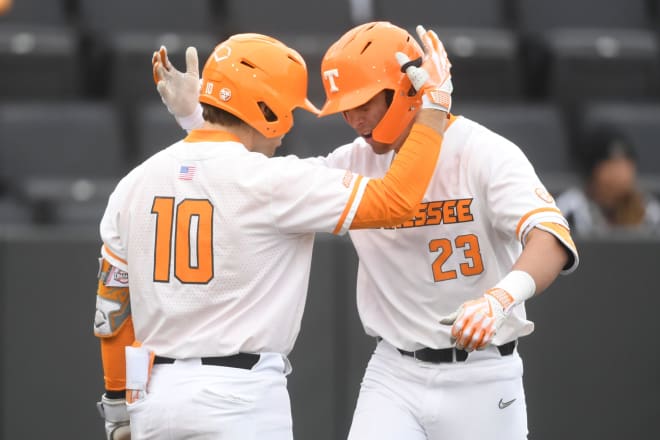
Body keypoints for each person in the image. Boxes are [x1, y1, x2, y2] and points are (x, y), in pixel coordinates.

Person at [153, 21, 579, 440]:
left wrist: (502, 297)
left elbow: (551, 237)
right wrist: (200, 121)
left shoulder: (484, 151)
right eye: (345, 109)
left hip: (484, 373)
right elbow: (255, 182)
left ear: (408, 87)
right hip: (394, 372)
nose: (354, 119)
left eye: (364, 103)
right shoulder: (354, 160)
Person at [94, 30, 453, 440]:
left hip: (154, 400)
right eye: (288, 109)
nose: (287, 128)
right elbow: (397, 200)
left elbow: (112, 314)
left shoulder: (133, 183)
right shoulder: (273, 181)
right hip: (240, 399)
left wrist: (118, 408)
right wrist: (435, 107)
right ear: (266, 108)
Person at [556, 125, 660, 235]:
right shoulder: (570, 209)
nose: (621, 173)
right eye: (612, 164)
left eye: (626, 163)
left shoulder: (648, 210)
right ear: (593, 170)